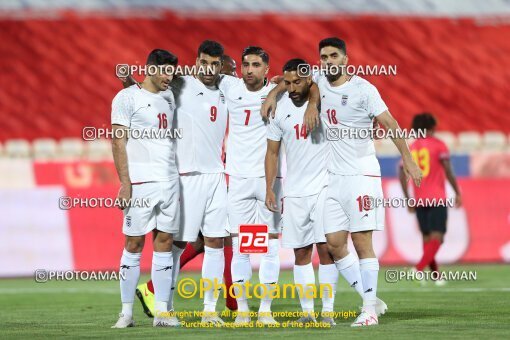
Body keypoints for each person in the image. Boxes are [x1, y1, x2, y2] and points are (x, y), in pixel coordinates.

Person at [110, 49, 181, 328]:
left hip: (170, 182)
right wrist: (125, 184)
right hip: (140, 184)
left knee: (165, 244)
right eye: (164, 71)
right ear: (151, 69)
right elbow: (118, 142)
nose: (170, 77)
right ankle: (126, 313)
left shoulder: (169, 95)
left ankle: (162, 312)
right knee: (134, 243)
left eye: (172, 72)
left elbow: (148, 99)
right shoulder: (125, 98)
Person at [265, 58, 338, 325]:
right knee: (301, 253)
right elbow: (272, 152)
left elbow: (324, 78)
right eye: (288, 82)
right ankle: (307, 312)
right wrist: (270, 188)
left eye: (298, 81)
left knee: (326, 248)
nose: (293, 87)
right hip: (294, 191)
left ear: (309, 80)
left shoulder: (324, 100)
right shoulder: (279, 109)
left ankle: (328, 312)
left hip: (324, 187)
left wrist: (314, 102)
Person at [217, 46, 282, 325]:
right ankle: (243, 310)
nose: (250, 70)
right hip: (239, 179)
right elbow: (200, 72)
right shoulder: (230, 86)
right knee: (241, 246)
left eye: (256, 65)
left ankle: (265, 310)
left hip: (270, 180)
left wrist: (279, 88)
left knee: (269, 246)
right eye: (245, 64)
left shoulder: (281, 90)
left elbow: (311, 78)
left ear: (267, 69)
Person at [399, 112, 462, 285]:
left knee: (427, 239)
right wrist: (457, 192)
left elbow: (400, 171)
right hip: (436, 198)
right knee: (437, 237)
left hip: (419, 199)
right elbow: (448, 170)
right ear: (433, 127)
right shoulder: (439, 145)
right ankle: (418, 269)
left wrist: (407, 198)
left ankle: (436, 276)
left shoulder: (411, 147)